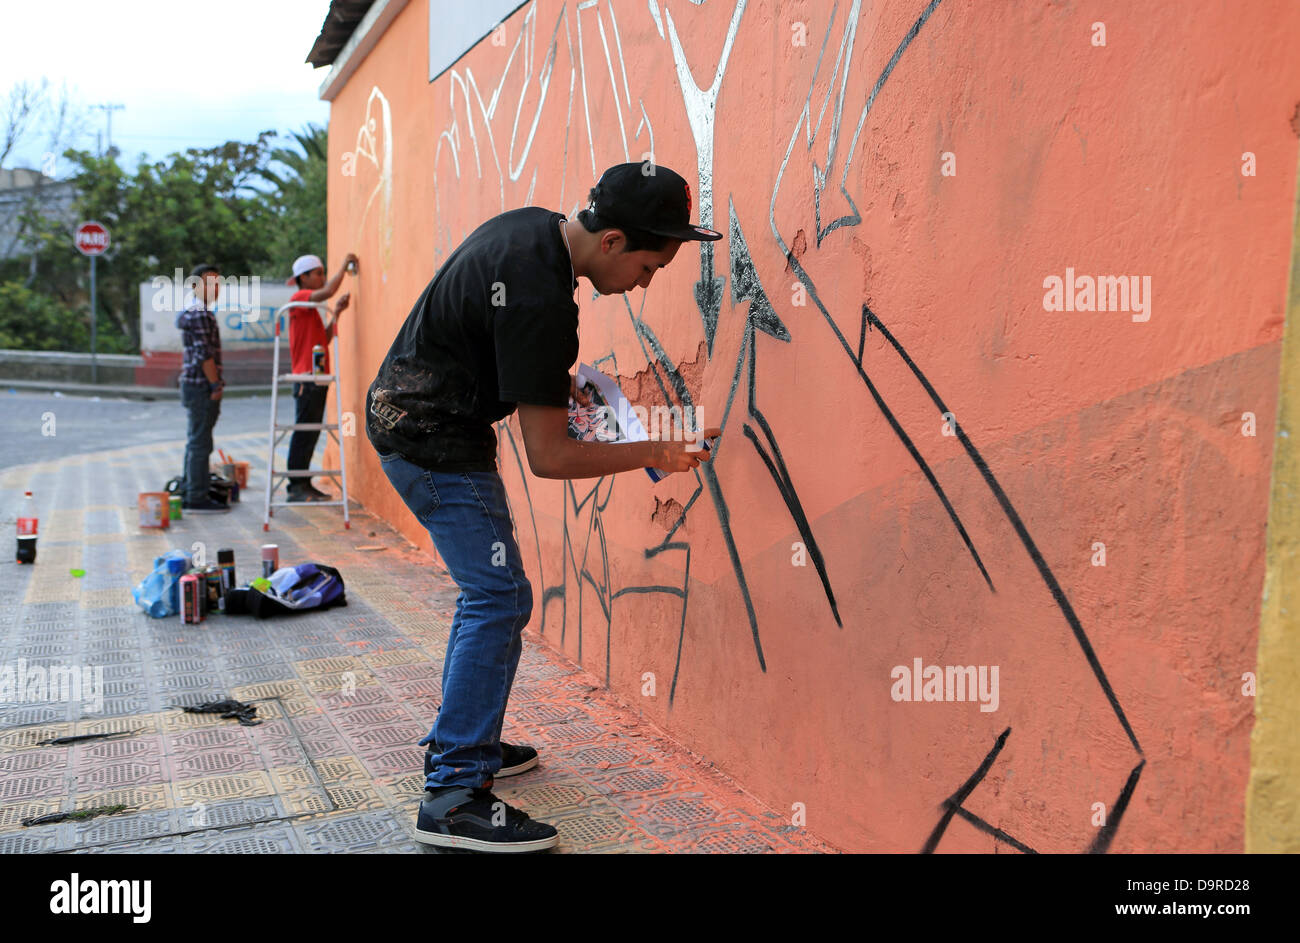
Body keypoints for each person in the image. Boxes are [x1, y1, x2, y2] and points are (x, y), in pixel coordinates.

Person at [365, 162, 723, 852]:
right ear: (614, 242)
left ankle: (462, 743)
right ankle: (453, 792)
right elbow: (550, 457)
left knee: (496, 594)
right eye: (650, 265)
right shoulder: (541, 299)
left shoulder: (532, 232)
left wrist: (617, 419)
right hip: (432, 441)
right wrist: (658, 453)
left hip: (419, 423)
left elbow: (528, 375)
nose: (646, 283)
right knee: (497, 597)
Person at [285, 253, 356, 502]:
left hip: (317, 377)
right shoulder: (299, 299)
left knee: (311, 431)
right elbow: (326, 292)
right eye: (318, 273)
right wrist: (343, 267)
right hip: (307, 378)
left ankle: (303, 484)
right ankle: (296, 486)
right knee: (304, 431)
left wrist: (336, 314)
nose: (323, 278)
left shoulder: (309, 310)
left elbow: (322, 341)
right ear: (303, 278)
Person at [176, 263, 229, 513]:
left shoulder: (195, 310)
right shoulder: (200, 313)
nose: (215, 288)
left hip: (193, 384)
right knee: (200, 443)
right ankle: (196, 497)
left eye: (218, 283)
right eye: (209, 283)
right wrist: (215, 384)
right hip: (201, 386)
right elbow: (204, 355)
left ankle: (191, 490)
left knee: (195, 441)